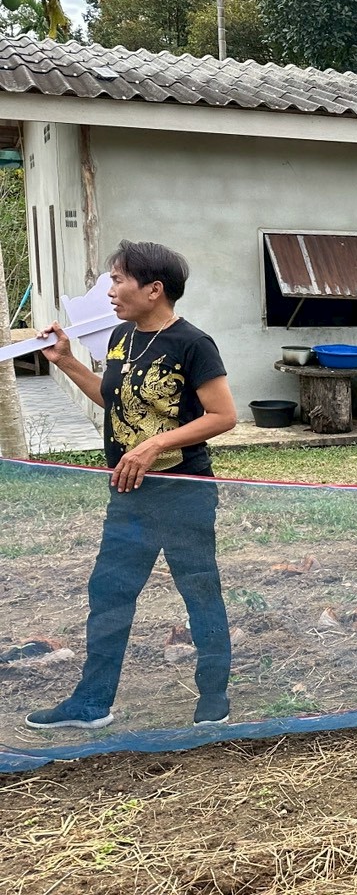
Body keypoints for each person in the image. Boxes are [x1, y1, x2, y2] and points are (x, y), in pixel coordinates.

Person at [26, 241, 238, 730]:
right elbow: (114, 399)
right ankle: (91, 702)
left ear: (154, 289)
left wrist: (152, 446)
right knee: (110, 592)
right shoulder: (122, 337)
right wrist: (65, 360)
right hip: (128, 493)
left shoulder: (193, 343)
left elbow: (223, 416)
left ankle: (213, 697)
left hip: (184, 490)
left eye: (119, 280)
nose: (111, 290)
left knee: (199, 590)